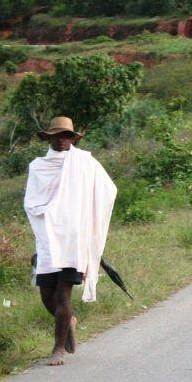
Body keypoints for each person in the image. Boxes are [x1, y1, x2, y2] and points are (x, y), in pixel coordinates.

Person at [23, 116, 117, 366]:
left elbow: (108, 190)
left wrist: (88, 223)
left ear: (73, 139)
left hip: (74, 240)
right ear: (50, 138)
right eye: (58, 136)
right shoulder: (38, 167)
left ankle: (58, 350)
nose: (63, 140)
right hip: (48, 239)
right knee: (46, 295)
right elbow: (31, 202)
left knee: (63, 295)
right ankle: (69, 321)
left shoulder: (85, 163)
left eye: (67, 136)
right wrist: (50, 214)